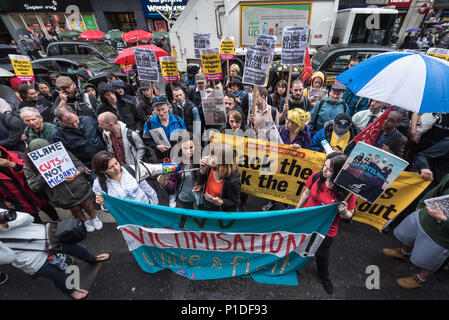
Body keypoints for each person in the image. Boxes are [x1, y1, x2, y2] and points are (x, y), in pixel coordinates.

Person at [0, 210, 109, 300]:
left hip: (45, 236)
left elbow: (29, 218)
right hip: (29, 257)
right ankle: (72, 291)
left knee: (77, 248)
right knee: (59, 275)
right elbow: (9, 257)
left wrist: (6, 224)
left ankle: (92, 258)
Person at [296, 152, 356, 294]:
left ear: (339, 173)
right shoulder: (318, 176)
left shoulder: (347, 192)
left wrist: (343, 212)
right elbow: (306, 193)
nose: (324, 170)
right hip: (306, 220)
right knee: (299, 244)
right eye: (325, 165)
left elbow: (349, 215)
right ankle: (294, 266)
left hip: (326, 229)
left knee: (322, 254)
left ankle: (324, 276)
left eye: (329, 169)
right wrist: (297, 210)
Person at [381, 172, 449, 289]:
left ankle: (420, 278)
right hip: (426, 216)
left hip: (442, 235)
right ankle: (404, 253)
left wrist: (444, 219)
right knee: (408, 235)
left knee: (430, 259)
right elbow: (438, 189)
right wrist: (422, 203)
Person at [24, 139, 102, 232]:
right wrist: (44, 174)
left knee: (87, 204)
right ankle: (85, 221)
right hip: (61, 195)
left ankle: (94, 218)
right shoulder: (29, 166)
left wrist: (76, 173)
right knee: (75, 209)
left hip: (79, 187)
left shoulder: (63, 153)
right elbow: (34, 186)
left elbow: (80, 166)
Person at [0, 145, 59, 222]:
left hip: (32, 189)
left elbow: (33, 170)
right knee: (31, 216)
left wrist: (12, 164)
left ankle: (57, 220)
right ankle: (39, 230)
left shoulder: (16, 155)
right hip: (15, 196)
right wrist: (3, 201)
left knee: (46, 206)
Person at [51, 105, 105, 183]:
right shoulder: (57, 134)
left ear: (75, 113)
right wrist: (79, 165)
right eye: (69, 123)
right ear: (61, 121)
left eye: (75, 120)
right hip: (88, 165)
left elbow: (101, 135)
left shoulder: (88, 120)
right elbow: (64, 154)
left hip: (103, 156)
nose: (75, 125)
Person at [92, 151, 158, 206]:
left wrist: (155, 206)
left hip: (146, 208)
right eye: (110, 167)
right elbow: (108, 209)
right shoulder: (99, 184)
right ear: (102, 170)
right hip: (127, 217)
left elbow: (149, 191)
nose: (116, 168)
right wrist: (103, 204)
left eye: (116, 163)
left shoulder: (132, 169)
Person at [159, 133, 201, 209]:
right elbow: (173, 184)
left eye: (191, 147)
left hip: (201, 195)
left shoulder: (201, 157)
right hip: (185, 196)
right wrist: (166, 183)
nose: (188, 151)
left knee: (202, 217)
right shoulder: (176, 162)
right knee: (189, 216)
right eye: (185, 148)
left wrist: (202, 184)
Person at [196, 143, 241, 212]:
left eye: (212, 156)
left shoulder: (233, 181)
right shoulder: (210, 168)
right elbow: (201, 182)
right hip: (206, 204)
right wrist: (202, 170)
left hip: (219, 210)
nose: (208, 157)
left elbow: (235, 202)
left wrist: (220, 202)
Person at [142, 96, 186, 162]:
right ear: (154, 110)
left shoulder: (178, 121)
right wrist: (156, 146)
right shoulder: (149, 123)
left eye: (163, 109)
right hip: (159, 159)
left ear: (168, 107)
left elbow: (186, 138)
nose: (161, 113)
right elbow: (145, 141)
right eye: (158, 110)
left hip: (177, 157)